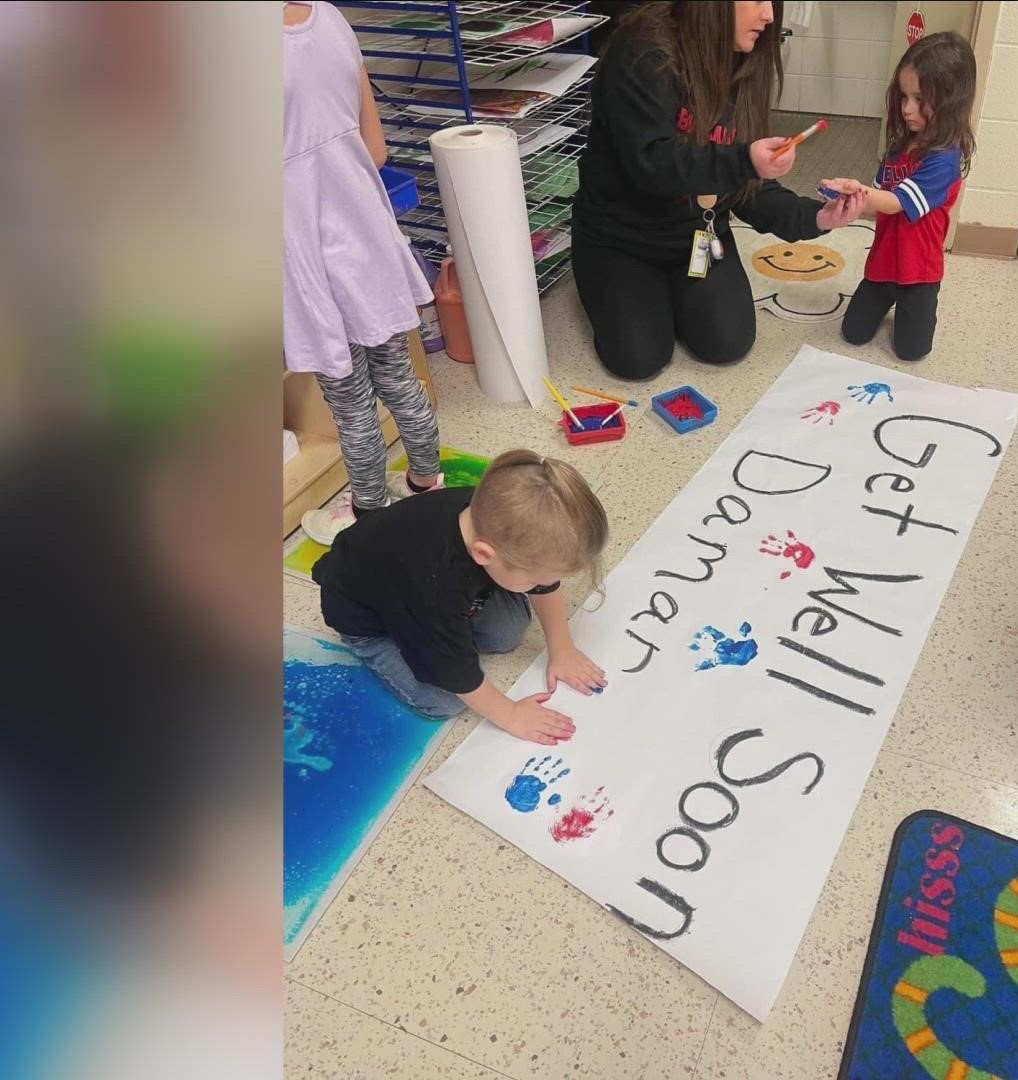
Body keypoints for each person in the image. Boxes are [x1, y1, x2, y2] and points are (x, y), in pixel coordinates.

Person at [572, 1, 869, 380]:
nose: (769, 16)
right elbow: (654, 166)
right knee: (638, 359)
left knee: (726, 342)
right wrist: (745, 160)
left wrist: (814, 217)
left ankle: (664, 294)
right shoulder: (641, 51)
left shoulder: (742, 60)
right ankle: (632, 288)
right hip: (619, 238)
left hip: (697, 236)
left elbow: (745, 186)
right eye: (758, 1)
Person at [312, 451, 611, 745]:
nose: (543, 585)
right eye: (536, 580)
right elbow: (453, 670)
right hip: (368, 617)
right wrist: (511, 716)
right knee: (444, 702)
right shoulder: (432, 589)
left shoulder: (495, 511)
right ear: (484, 554)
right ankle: (372, 647)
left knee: (507, 634)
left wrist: (562, 648)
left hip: (423, 584)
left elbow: (543, 584)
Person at [284, 1, 443, 544]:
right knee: (397, 375)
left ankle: (370, 513)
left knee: (349, 399)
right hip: (365, 235)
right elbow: (375, 149)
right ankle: (427, 480)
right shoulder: (329, 17)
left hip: (301, 249)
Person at [822, 31, 978, 363]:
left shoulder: (943, 160)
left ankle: (915, 311)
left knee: (912, 352)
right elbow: (878, 201)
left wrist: (858, 190)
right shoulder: (899, 147)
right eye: (904, 97)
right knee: (853, 334)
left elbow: (895, 202)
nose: (907, 109)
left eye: (920, 100)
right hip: (882, 263)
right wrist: (849, 203)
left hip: (919, 273)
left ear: (951, 100)